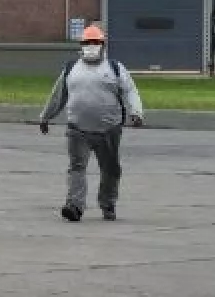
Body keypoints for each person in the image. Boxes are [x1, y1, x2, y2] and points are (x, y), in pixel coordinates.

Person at [37, 24, 145, 222]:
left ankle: (108, 203)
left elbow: (130, 91)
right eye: (87, 42)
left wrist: (136, 112)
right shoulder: (71, 69)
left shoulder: (115, 68)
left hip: (109, 130)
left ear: (103, 45)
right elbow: (58, 96)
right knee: (77, 168)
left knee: (110, 170)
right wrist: (45, 116)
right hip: (78, 130)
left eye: (95, 42)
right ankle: (75, 206)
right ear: (81, 46)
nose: (91, 46)